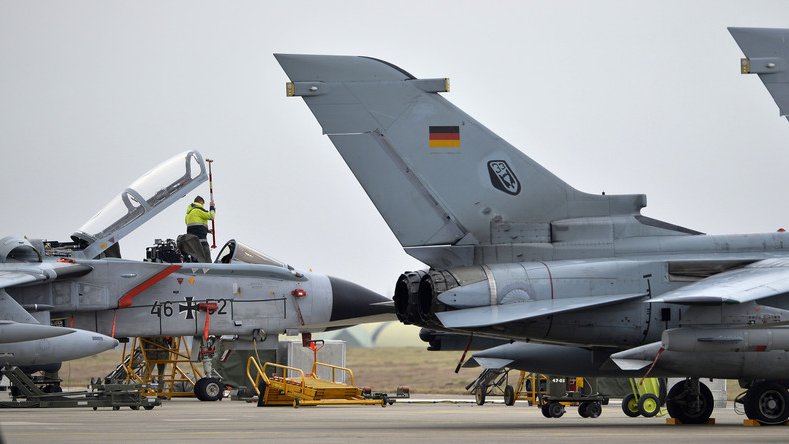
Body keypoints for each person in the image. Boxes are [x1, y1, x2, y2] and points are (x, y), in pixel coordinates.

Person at [185, 195, 215, 262]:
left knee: (196, 261)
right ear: (200, 202)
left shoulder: (188, 215)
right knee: (207, 261)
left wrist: (207, 231)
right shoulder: (198, 210)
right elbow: (211, 216)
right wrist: (212, 207)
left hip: (192, 242)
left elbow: (195, 226)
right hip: (201, 241)